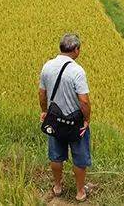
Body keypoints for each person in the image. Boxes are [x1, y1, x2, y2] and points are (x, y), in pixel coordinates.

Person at [39, 33, 92, 202]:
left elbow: (42, 93)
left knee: (55, 155)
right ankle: (80, 192)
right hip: (75, 122)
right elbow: (84, 101)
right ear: (76, 50)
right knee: (80, 157)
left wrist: (44, 110)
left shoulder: (47, 66)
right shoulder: (77, 70)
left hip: (54, 119)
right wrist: (86, 120)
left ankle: (57, 187)